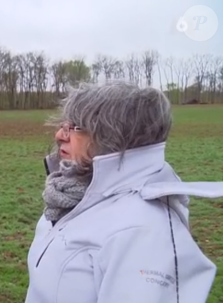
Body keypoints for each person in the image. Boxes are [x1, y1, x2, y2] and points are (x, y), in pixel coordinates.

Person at [24, 81, 222, 303]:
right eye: (64, 124)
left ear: (114, 136)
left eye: (76, 127)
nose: (60, 134)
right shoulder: (73, 197)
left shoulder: (143, 232)